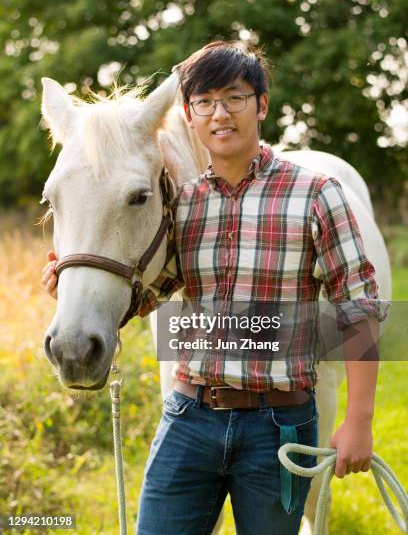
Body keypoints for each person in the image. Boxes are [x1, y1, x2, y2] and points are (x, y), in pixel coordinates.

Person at [42, 41, 382, 534]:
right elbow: (154, 285)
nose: (219, 114)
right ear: (189, 113)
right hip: (189, 417)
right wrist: (79, 289)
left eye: (234, 98)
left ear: (261, 105)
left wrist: (359, 419)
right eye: (204, 102)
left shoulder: (316, 194)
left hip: (278, 424)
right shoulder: (184, 203)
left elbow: (359, 306)